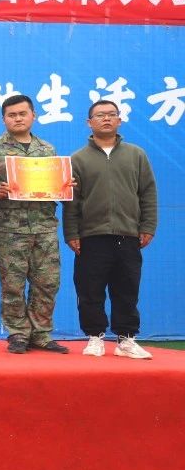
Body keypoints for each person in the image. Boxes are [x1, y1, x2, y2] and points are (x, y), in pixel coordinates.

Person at [63, 99, 158, 360]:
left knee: (127, 289)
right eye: (100, 115)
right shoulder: (78, 159)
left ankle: (126, 339)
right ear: (89, 122)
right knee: (89, 289)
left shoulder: (136, 154)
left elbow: (148, 193)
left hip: (128, 234)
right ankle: (95, 337)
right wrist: (71, 233)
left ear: (119, 120)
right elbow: (71, 200)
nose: (106, 118)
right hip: (91, 236)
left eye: (111, 114)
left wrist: (148, 226)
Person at [0, 94, 68, 354]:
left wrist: (63, 185)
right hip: (8, 228)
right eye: (11, 115)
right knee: (12, 284)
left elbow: (53, 186)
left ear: (33, 116)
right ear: (4, 119)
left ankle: (41, 333)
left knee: (47, 282)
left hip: (44, 226)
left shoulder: (47, 150)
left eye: (22, 113)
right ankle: (17, 333)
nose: (17, 118)